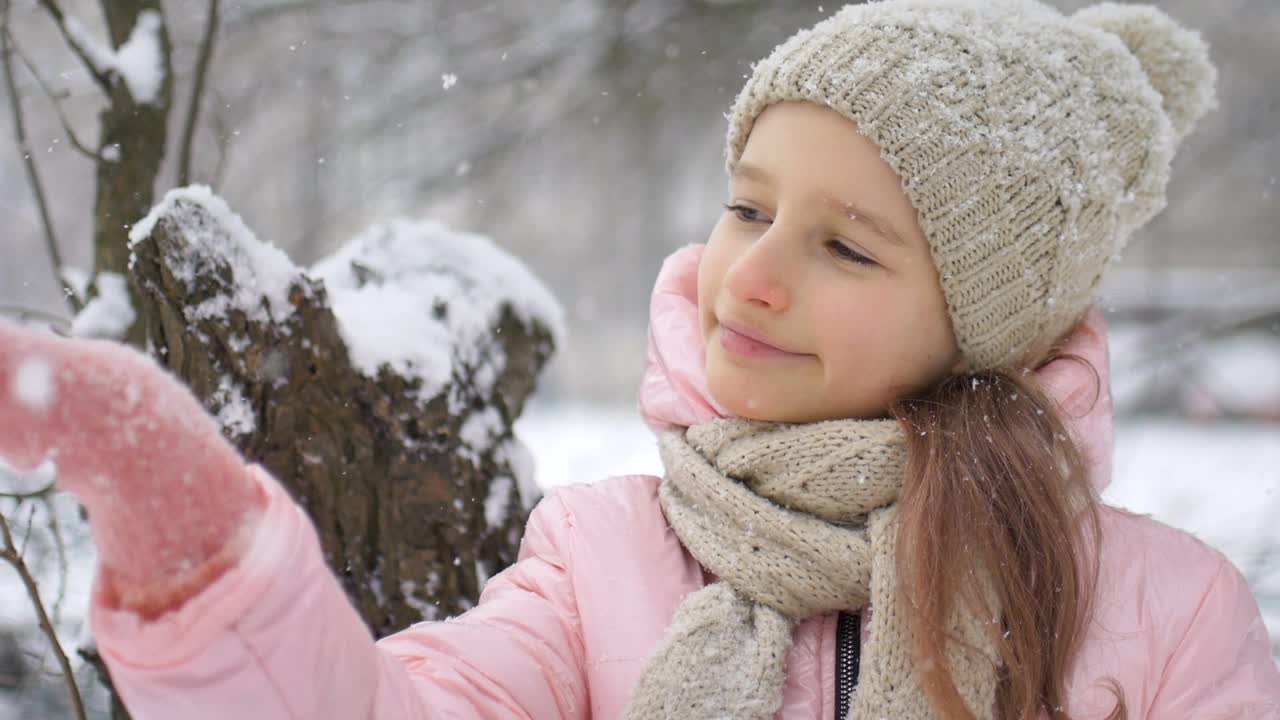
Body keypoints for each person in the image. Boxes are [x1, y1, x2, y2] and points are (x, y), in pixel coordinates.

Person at [1, 1, 1277, 717]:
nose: (755, 273)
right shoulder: (596, 562)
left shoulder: (1159, 618)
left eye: (847, 247)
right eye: (746, 206)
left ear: (987, 327)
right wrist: (198, 550)